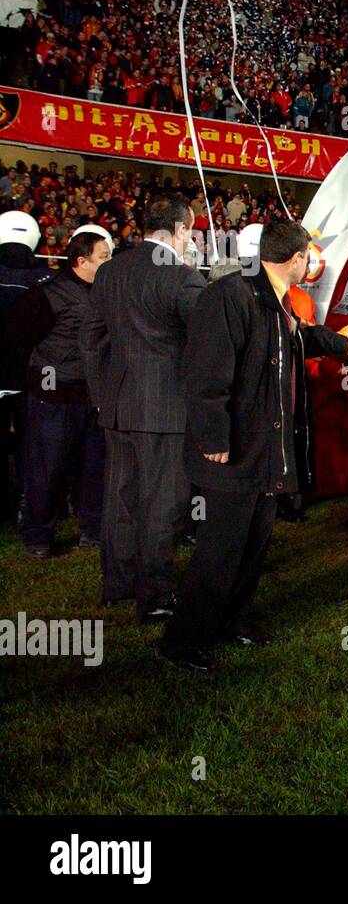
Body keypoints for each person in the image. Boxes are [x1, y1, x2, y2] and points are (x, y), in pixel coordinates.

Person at [160, 220, 348, 671]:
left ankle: (230, 622)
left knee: (253, 543)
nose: (310, 264)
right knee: (221, 548)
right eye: (308, 257)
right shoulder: (231, 297)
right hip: (234, 450)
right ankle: (184, 640)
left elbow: (295, 337)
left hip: (264, 449)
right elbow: (207, 373)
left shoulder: (275, 300)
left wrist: (336, 342)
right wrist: (214, 437)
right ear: (296, 260)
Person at [81, 194, 206, 621]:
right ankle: (154, 595)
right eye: (192, 231)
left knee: (121, 496)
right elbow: (208, 345)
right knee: (163, 501)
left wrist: (103, 396)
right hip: (166, 409)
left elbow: (91, 341)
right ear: (181, 229)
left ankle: (118, 583)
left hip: (118, 406)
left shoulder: (110, 272)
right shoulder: (182, 278)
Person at [5, 230, 111, 557]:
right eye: (104, 257)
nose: (110, 262)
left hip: (94, 400)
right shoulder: (46, 295)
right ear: (82, 261)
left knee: (95, 469)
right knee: (46, 470)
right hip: (54, 400)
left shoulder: (108, 294)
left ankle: (92, 531)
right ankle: (38, 537)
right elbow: (18, 342)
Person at [0, 209, 51, 522]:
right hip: (30, 379)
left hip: (16, 377)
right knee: (28, 447)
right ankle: (25, 504)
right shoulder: (46, 280)